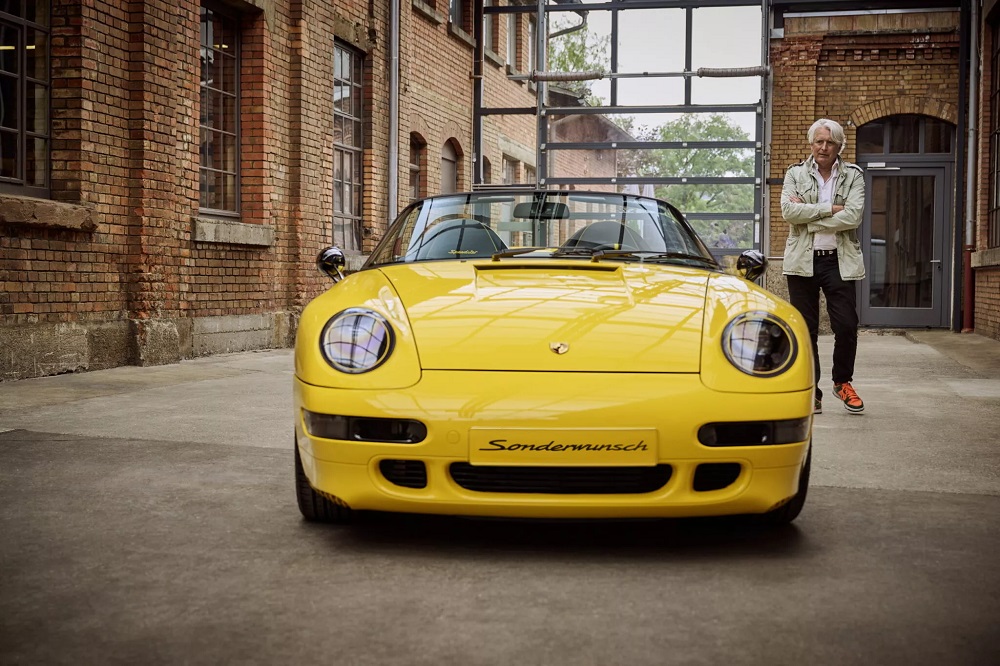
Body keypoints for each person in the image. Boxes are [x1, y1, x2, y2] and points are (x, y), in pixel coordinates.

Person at [780, 118, 866, 415]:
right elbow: (789, 212)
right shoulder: (795, 173)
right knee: (806, 330)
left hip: (838, 261)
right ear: (811, 143)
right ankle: (811, 391)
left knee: (846, 326)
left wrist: (810, 216)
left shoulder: (853, 176)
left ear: (840, 145)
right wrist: (830, 209)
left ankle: (842, 382)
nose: (824, 147)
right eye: (819, 141)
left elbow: (854, 216)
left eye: (830, 142)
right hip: (802, 260)